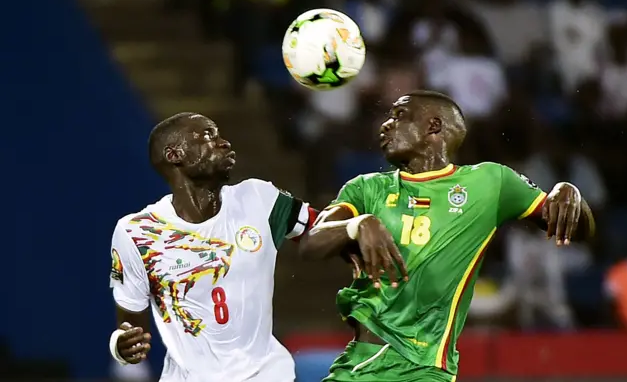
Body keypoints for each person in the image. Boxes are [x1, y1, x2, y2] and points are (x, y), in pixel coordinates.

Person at [300, 90, 596, 382]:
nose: (385, 124)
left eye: (399, 115)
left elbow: (580, 228)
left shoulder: (491, 182)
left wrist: (569, 193)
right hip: (360, 364)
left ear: (433, 126)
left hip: (425, 369)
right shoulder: (366, 188)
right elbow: (312, 242)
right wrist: (357, 224)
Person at [108, 113, 316, 382]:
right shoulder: (137, 232)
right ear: (174, 155)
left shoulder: (258, 198)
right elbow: (131, 321)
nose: (225, 143)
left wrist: (357, 225)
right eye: (208, 136)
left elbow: (319, 227)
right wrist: (121, 346)